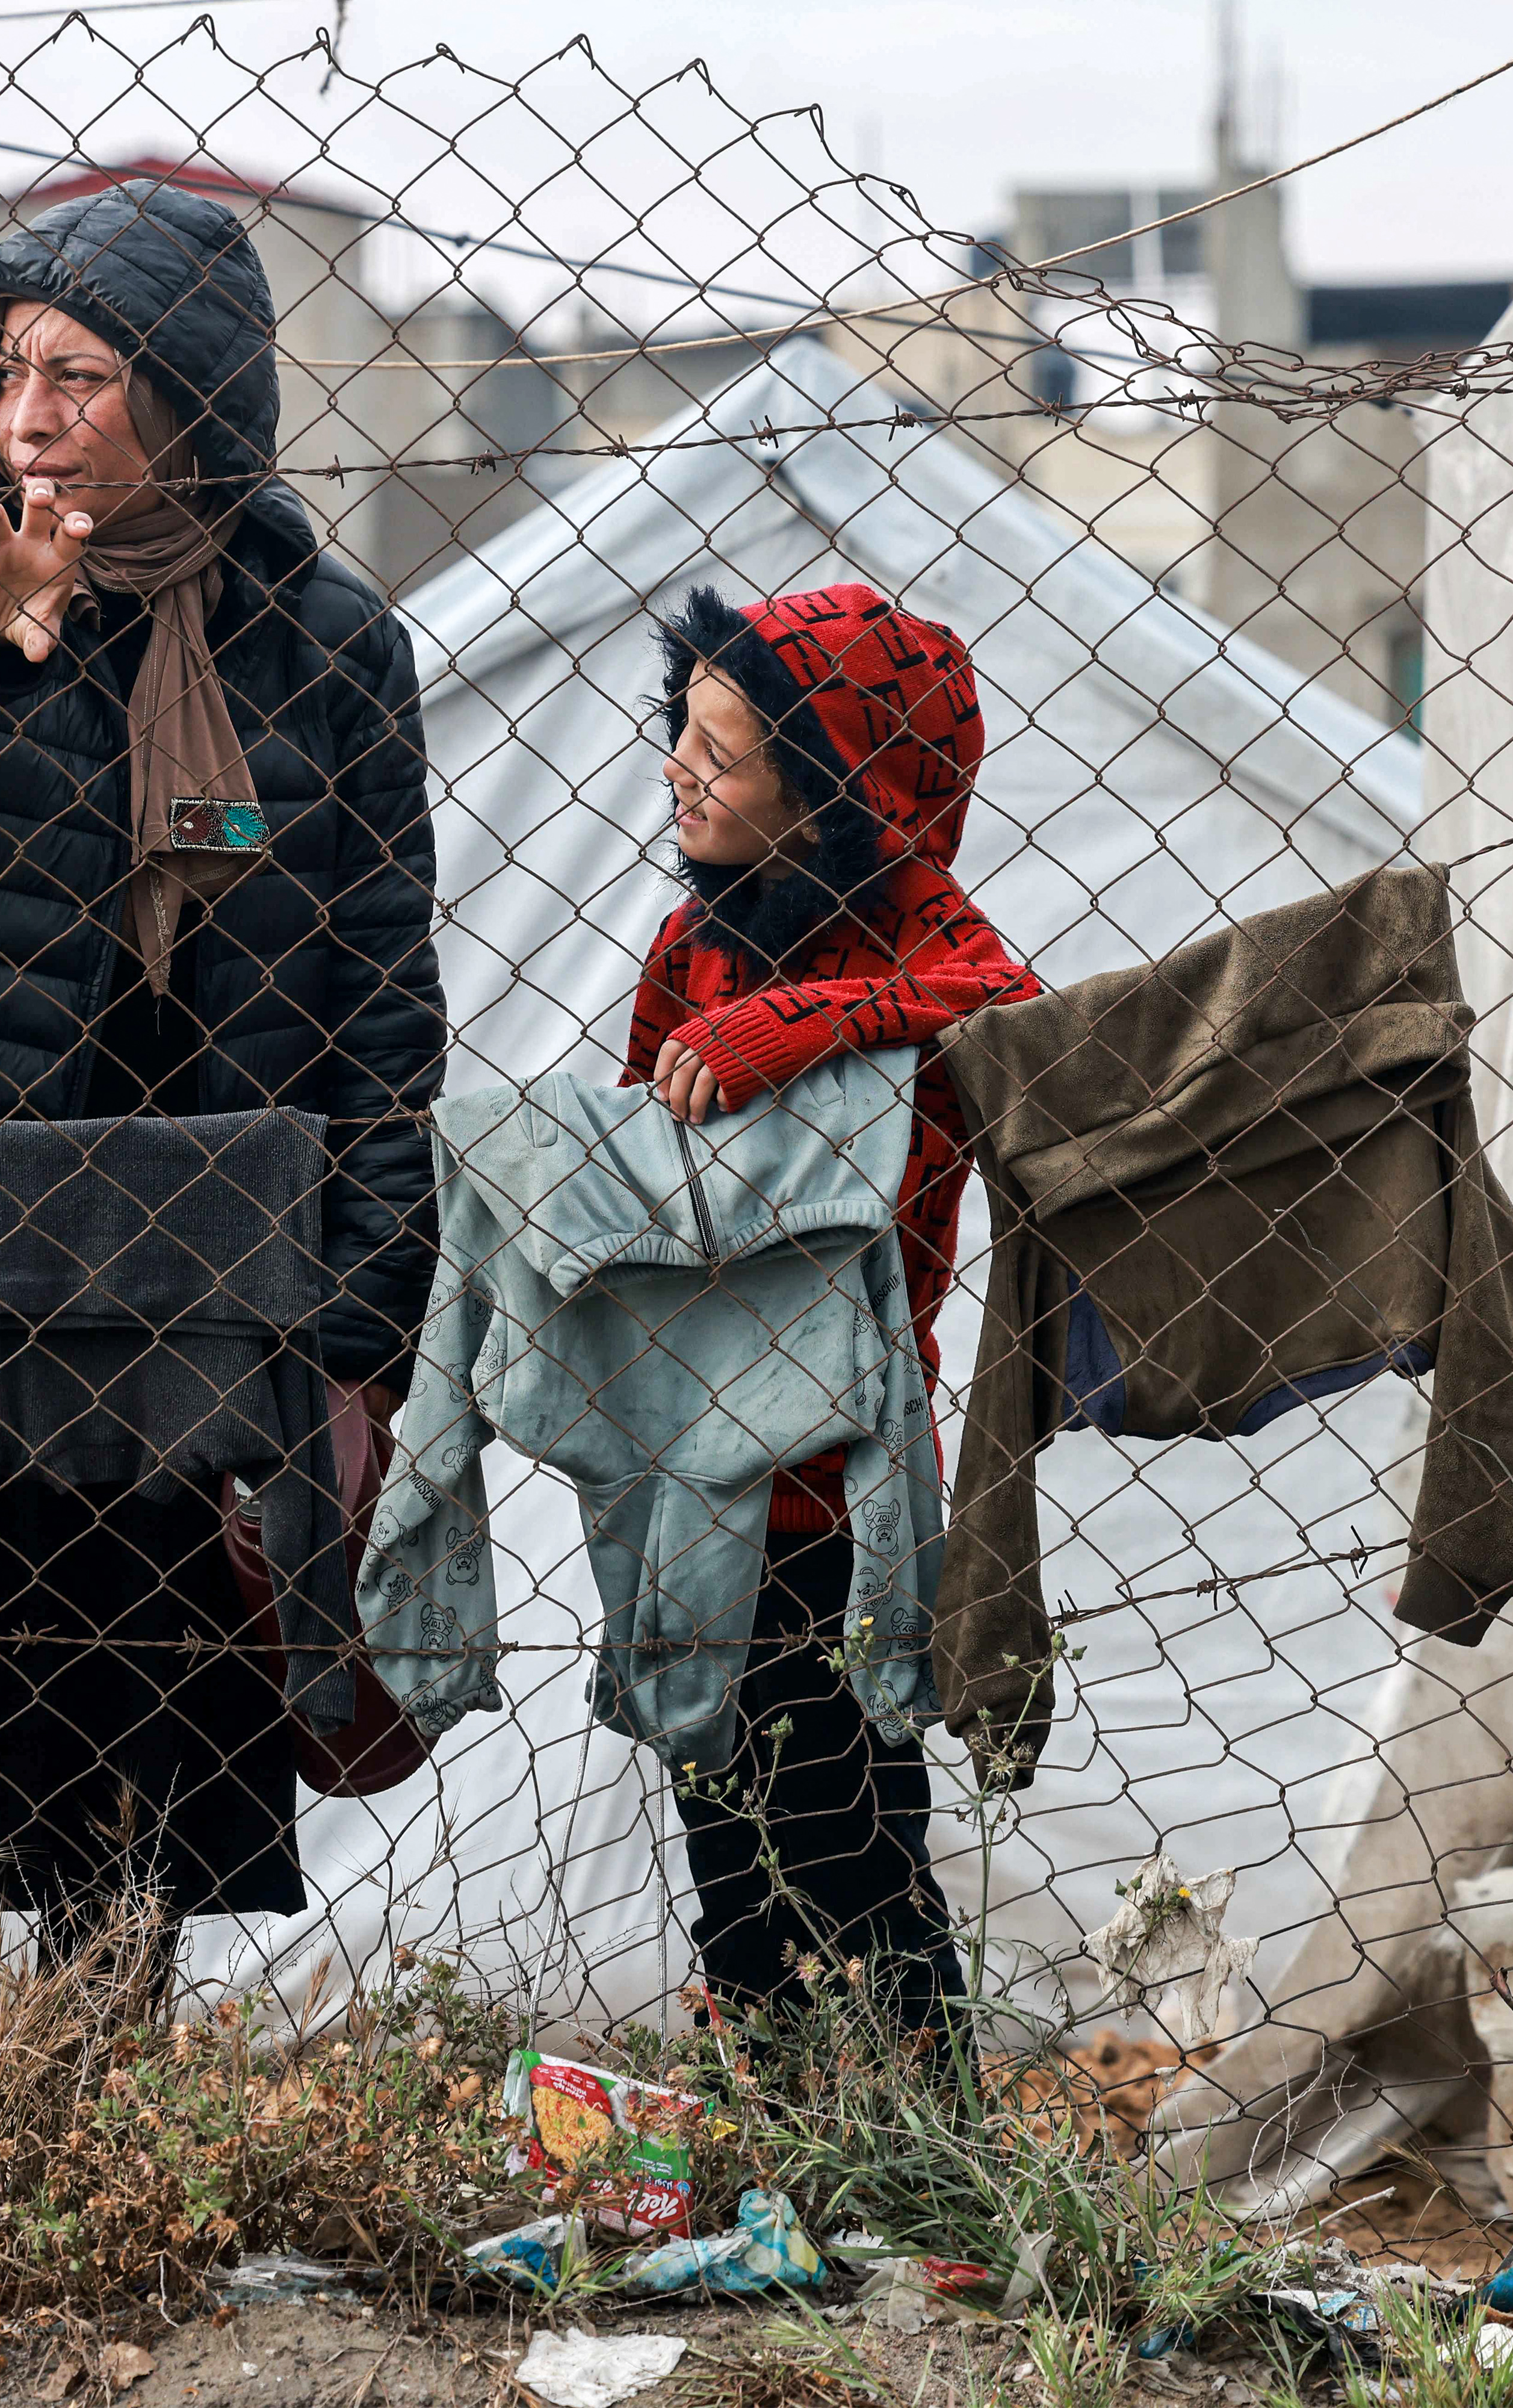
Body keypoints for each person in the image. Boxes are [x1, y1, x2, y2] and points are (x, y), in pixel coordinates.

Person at [0, 180, 445, 2014]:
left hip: (197, 1258)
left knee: (139, 1710)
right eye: (13, 372)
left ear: (196, 398)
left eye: (84, 378)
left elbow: (383, 986)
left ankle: (91, 2081)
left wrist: (366, 1292)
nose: (32, 418)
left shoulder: (321, 635)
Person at [623, 583, 1041, 2044]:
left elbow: (1009, 994)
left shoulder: (924, 927)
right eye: (680, 729)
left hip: (840, 1475)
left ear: (837, 788)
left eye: (724, 750)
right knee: (721, 1828)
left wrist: (812, 1019)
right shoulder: (698, 942)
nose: (680, 765)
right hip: (690, 1466)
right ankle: (773, 2120)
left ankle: (928, 2137)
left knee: (857, 1827)